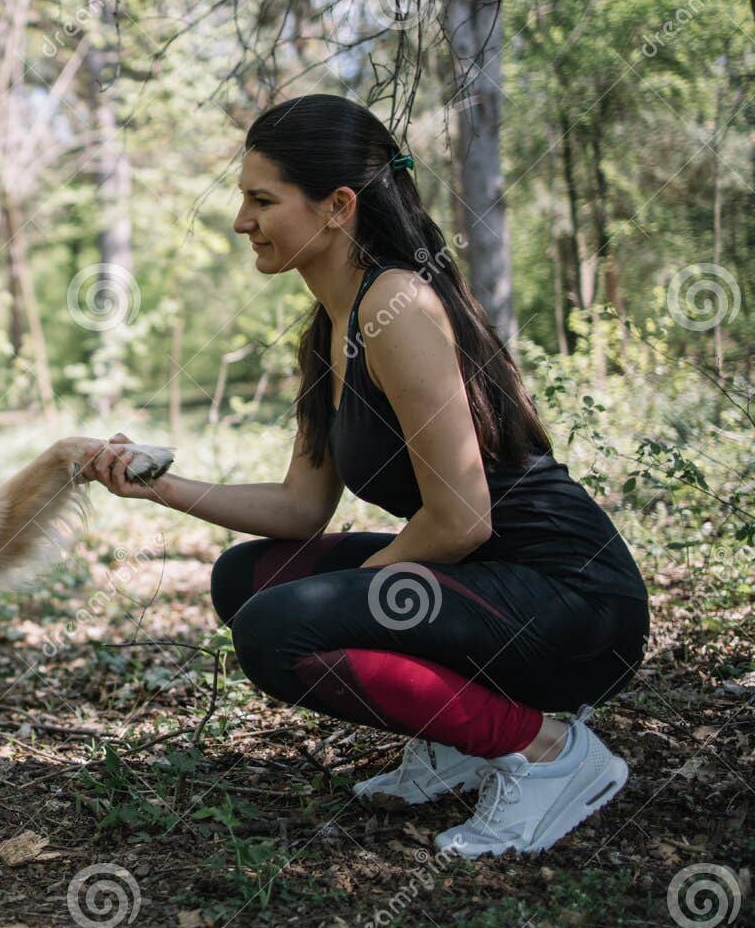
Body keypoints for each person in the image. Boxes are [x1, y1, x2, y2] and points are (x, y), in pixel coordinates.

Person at [86, 94, 649, 858]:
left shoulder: (399, 304)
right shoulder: (331, 326)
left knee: (279, 626)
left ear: (337, 206)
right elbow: (300, 506)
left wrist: (351, 603)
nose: (240, 221)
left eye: (262, 199)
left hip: (573, 603)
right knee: (245, 582)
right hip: (481, 584)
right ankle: (458, 736)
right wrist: (161, 487)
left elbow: (461, 520)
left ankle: (548, 750)